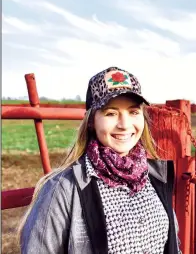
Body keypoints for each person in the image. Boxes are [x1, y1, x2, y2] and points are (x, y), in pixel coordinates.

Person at [18, 66, 181, 254]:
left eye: (133, 112)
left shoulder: (156, 177)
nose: (125, 124)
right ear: (91, 122)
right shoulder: (62, 188)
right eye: (111, 113)